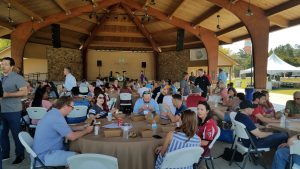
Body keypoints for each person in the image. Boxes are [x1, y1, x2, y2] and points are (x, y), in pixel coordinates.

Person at [32, 96, 93, 167]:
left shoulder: (53, 113)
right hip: (46, 155)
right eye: (72, 107)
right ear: (65, 106)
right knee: (78, 158)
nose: (72, 110)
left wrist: (80, 127)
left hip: (41, 151)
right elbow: (72, 137)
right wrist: (86, 131)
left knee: (74, 149)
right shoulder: (57, 117)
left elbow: (63, 128)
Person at [0, 57, 28, 164]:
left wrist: (7, 94)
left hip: (13, 111)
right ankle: (5, 154)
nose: (3, 66)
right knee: (2, 135)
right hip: (2, 111)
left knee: (16, 134)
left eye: (6, 64)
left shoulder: (17, 78)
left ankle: (20, 155)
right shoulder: (2, 78)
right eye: (2, 64)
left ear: (12, 66)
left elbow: (24, 92)